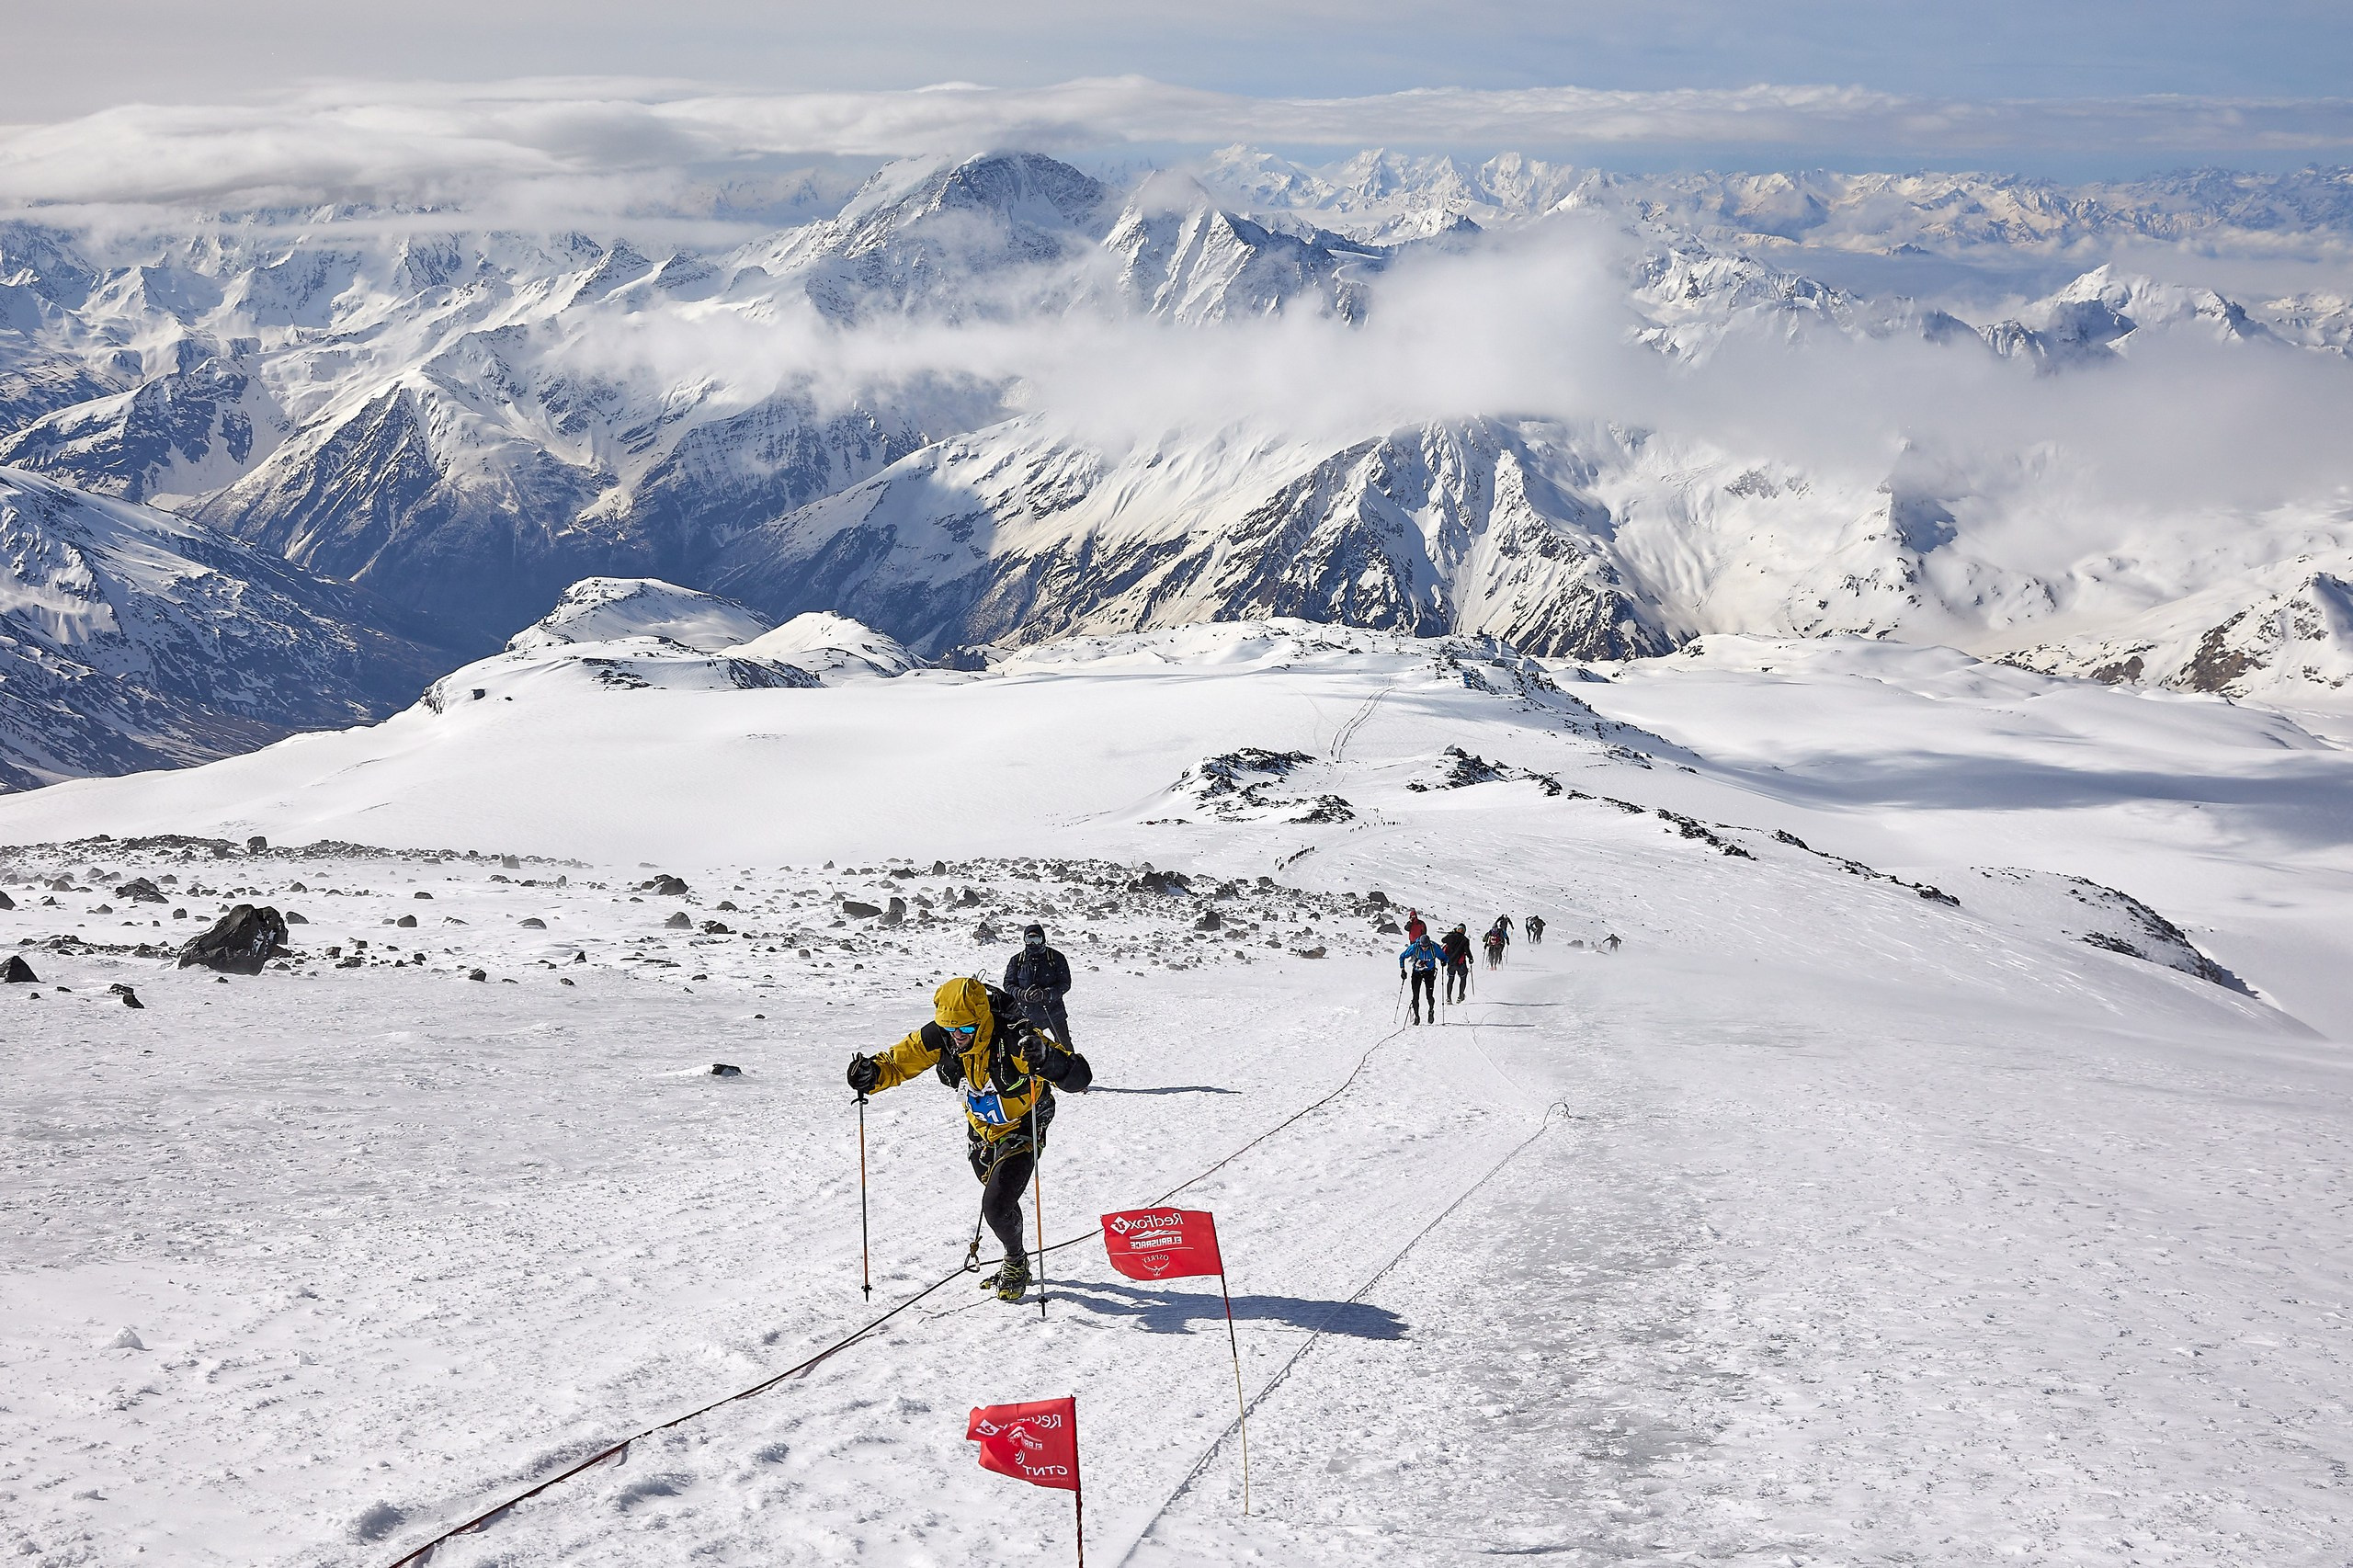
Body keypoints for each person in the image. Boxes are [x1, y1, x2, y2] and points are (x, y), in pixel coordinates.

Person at [847, 977, 1092, 1302]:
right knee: (998, 1195)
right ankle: (1014, 1247)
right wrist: (872, 1074)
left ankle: (1015, 1262)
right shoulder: (943, 1036)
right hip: (980, 1129)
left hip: (1024, 1123)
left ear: (981, 1021)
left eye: (964, 1030)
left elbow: (1079, 1078)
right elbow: (898, 1061)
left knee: (996, 1204)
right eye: (950, 1030)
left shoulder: (1016, 1039)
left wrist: (1046, 1058)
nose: (956, 1037)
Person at [1002, 923, 1075, 1045]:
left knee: (1064, 1045)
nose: (1033, 944)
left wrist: (1046, 994)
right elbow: (1008, 984)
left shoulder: (1056, 958)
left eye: (1036, 939)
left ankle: (1070, 1064)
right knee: (1028, 1049)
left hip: (1053, 1011)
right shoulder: (1017, 960)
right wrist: (1022, 994)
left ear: (1043, 939)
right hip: (1026, 1013)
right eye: (1029, 939)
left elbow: (1065, 983)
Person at [1399, 930, 1443, 1024]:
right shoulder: (1415, 947)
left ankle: (1431, 1010)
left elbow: (1443, 957)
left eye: (1426, 946)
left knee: (1429, 995)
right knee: (1415, 996)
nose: (1424, 948)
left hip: (1429, 972)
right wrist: (1402, 970)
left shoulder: (1434, 947)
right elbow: (1402, 956)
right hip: (1417, 972)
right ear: (1420, 944)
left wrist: (1444, 961)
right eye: (1423, 946)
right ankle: (1417, 1016)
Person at [1440, 923, 1473, 1002]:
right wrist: (1471, 958)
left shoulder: (1450, 936)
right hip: (1460, 963)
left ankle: (1448, 998)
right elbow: (1467, 951)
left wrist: (1451, 933)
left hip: (1450, 962)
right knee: (1463, 978)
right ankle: (1460, 996)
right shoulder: (1465, 940)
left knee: (1450, 979)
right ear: (1464, 931)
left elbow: (1443, 940)